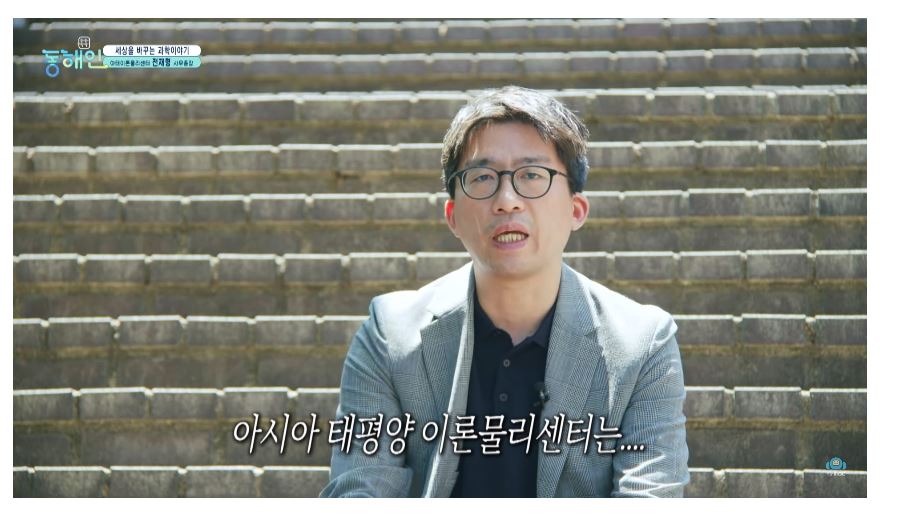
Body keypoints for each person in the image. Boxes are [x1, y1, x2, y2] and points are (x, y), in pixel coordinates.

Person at [320, 85, 689, 497]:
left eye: (532, 175)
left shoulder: (641, 345)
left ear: (576, 209)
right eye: (482, 177)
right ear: (453, 216)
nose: (507, 200)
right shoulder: (390, 335)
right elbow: (361, 490)